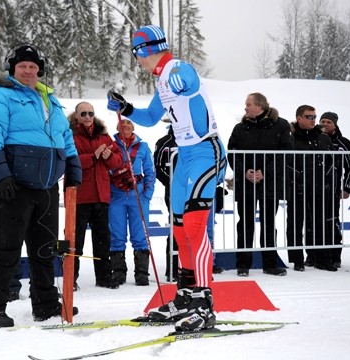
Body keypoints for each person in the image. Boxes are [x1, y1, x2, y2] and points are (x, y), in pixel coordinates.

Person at [107, 25, 227, 332]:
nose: (138, 62)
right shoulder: (162, 81)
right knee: (180, 228)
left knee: (197, 227)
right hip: (183, 157)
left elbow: (189, 80)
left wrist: (182, 82)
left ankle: (204, 303)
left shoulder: (176, 68)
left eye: (137, 55)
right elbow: (149, 117)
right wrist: (126, 108)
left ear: (144, 51)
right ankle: (186, 296)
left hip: (205, 152)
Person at [0, 44, 82, 329]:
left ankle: (45, 304)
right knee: (5, 248)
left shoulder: (50, 99)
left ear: (39, 70)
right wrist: (0, 173)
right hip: (14, 185)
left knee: (45, 249)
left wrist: (73, 168)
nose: (28, 71)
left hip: (47, 187)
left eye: (33, 67)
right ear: (12, 69)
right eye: (22, 66)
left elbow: (64, 137)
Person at [227, 93, 293, 277]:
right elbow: (232, 152)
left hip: (270, 184)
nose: (245, 108)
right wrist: (244, 172)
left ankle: (270, 264)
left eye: (248, 104)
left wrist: (265, 172)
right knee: (245, 224)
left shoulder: (280, 125)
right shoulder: (240, 128)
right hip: (246, 184)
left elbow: (285, 153)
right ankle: (243, 264)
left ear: (260, 106)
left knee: (269, 223)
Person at [154, 124, 225, 279]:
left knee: (199, 229)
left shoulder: (206, 138)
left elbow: (220, 161)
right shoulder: (165, 141)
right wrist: (173, 183)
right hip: (176, 189)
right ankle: (174, 270)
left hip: (199, 188)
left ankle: (203, 273)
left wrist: (212, 181)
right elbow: (159, 167)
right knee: (177, 229)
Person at [67, 101, 123, 291]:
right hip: (79, 196)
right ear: (76, 116)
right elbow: (69, 162)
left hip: (101, 196)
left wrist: (107, 156)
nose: (88, 117)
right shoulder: (70, 135)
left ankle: (104, 277)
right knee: (75, 241)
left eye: (91, 113)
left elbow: (118, 161)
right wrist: (94, 156)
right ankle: (70, 279)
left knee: (103, 240)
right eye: (83, 113)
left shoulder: (104, 136)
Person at [287, 105, 337, 272]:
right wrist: (296, 177)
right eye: (309, 117)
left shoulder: (323, 138)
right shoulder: (291, 138)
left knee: (320, 223)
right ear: (299, 118)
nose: (313, 120)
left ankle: (322, 258)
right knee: (295, 223)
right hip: (298, 187)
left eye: (314, 117)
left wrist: (327, 180)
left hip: (320, 187)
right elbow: (285, 162)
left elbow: (332, 161)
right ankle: (297, 259)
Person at [109, 119, 155, 286]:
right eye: (123, 124)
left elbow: (150, 170)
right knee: (117, 234)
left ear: (133, 128)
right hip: (117, 196)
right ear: (117, 128)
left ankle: (142, 273)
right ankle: (119, 272)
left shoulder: (143, 147)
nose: (126, 126)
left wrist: (147, 194)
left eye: (129, 125)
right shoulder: (111, 145)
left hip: (138, 195)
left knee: (140, 235)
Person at [319, 111, 350, 268]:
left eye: (329, 122)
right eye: (323, 121)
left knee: (332, 221)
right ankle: (313, 255)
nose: (325, 124)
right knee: (311, 222)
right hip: (312, 189)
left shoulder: (344, 143)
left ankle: (335, 256)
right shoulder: (314, 140)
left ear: (335, 124)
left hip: (333, 190)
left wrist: (346, 187)